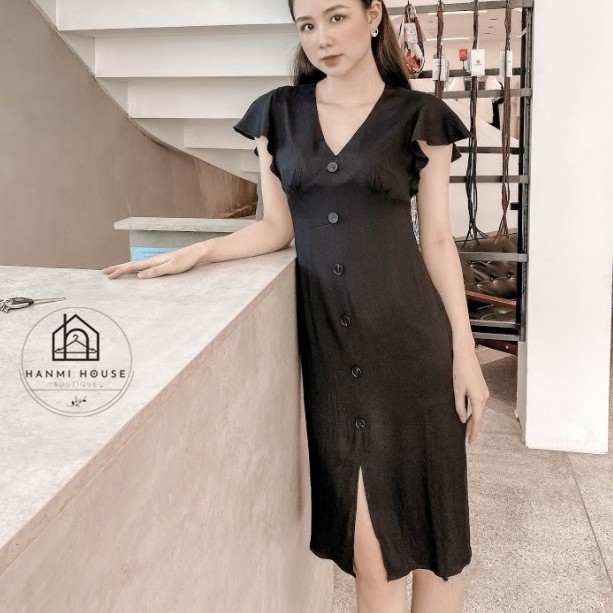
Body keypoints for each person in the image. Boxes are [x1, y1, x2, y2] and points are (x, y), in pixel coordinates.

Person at [102, 1, 489, 611]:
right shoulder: (277, 114)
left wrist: (465, 355)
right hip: (333, 355)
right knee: (370, 551)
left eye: (336, 17)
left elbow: (438, 241)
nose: (321, 37)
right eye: (306, 25)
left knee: (437, 528)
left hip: (412, 344)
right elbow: (276, 228)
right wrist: (198, 252)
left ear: (373, 16)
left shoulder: (419, 118)